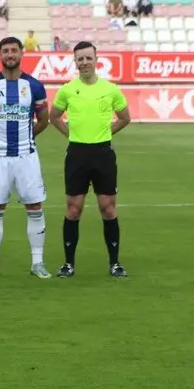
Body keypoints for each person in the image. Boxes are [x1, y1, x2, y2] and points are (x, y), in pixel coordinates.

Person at [48, 41, 131, 278]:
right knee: (73, 209)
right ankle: (68, 264)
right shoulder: (67, 90)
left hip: (103, 154)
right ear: (74, 62)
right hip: (77, 154)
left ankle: (115, 263)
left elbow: (125, 117)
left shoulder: (111, 89)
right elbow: (54, 116)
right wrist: (70, 135)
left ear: (96, 59)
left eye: (88, 58)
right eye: (80, 59)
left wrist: (106, 134)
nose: (84, 62)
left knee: (108, 208)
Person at [0, 36, 52, 279]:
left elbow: (43, 120)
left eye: (14, 50)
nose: (10, 54)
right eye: (5, 50)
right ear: (0, 54)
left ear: (21, 54)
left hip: (27, 157)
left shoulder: (35, 86)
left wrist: (25, 138)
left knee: (35, 207)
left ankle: (37, 262)